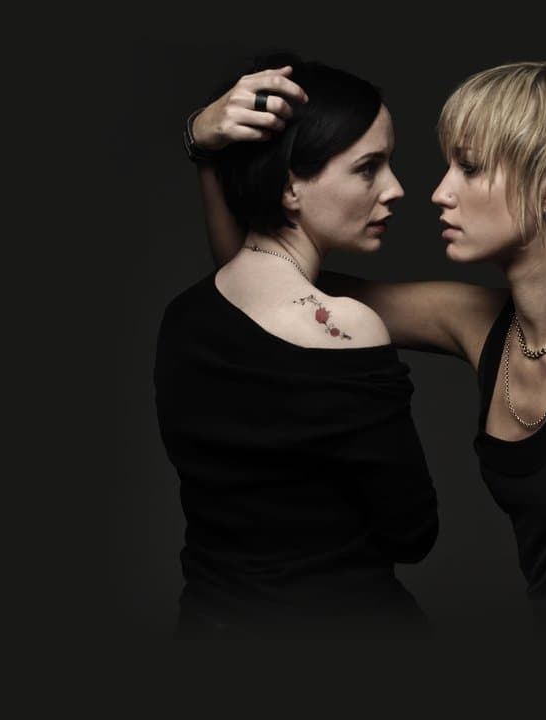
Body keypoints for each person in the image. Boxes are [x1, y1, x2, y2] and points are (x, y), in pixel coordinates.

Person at [191, 58, 546, 635]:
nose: (439, 192)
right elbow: (263, 276)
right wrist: (203, 145)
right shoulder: (475, 322)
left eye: (470, 167)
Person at [155, 55, 438, 637]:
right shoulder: (347, 329)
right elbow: (413, 533)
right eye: (369, 167)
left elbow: (244, 278)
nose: (396, 189)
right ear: (289, 185)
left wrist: (200, 146)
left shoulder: (183, 318)